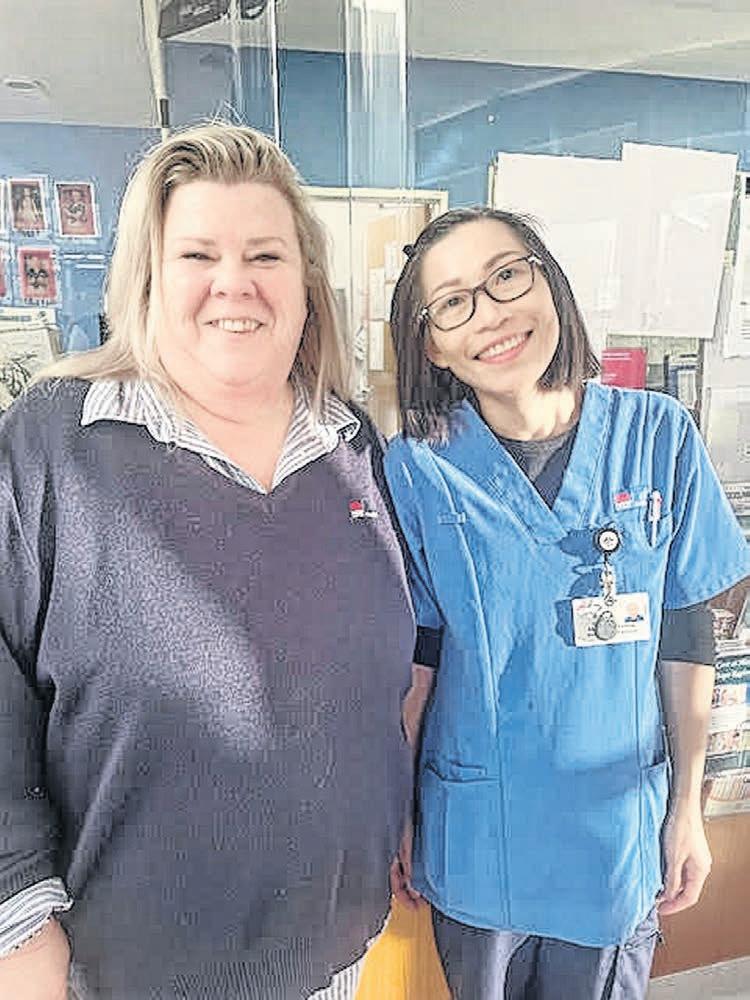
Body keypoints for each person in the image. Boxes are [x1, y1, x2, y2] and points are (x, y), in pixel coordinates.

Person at [0, 123, 415, 999]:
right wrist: (18, 930)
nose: (235, 282)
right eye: (197, 254)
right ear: (148, 278)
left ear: (306, 283)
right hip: (126, 977)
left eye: (265, 255)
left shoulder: (351, 446)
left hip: (335, 960)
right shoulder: (50, 446)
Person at [383, 206, 750, 1000]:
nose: (491, 314)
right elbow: (418, 658)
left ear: (549, 282)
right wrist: (398, 809)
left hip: (611, 837)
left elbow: (686, 635)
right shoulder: (417, 468)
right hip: (479, 835)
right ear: (432, 343)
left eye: (507, 276)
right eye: (453, 303)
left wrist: (687, 808)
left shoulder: (659, 435)